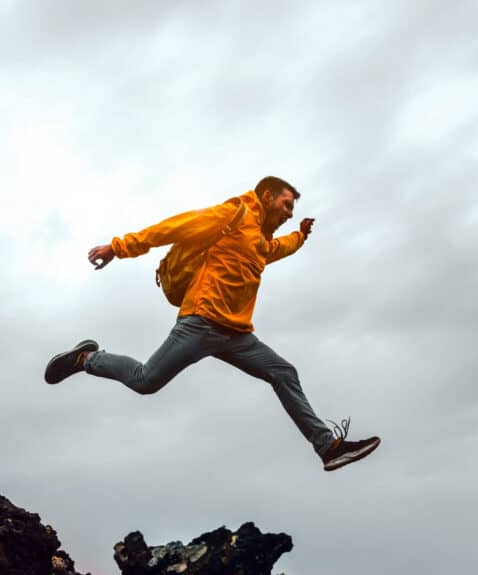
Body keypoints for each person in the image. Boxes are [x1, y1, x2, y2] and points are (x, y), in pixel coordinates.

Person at [44, 176, 381, 472]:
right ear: (267, 197)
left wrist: (301, 236)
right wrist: (118, 248)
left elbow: (277, 249)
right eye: (286, 204)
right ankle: (87, 358)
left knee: (283, 372)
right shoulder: (234, 214)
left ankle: (328, 448)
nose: (289, 212)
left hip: (237, 335)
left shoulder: (260, 241)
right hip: (200, 323)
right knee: (146, 381)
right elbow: (174, 227)